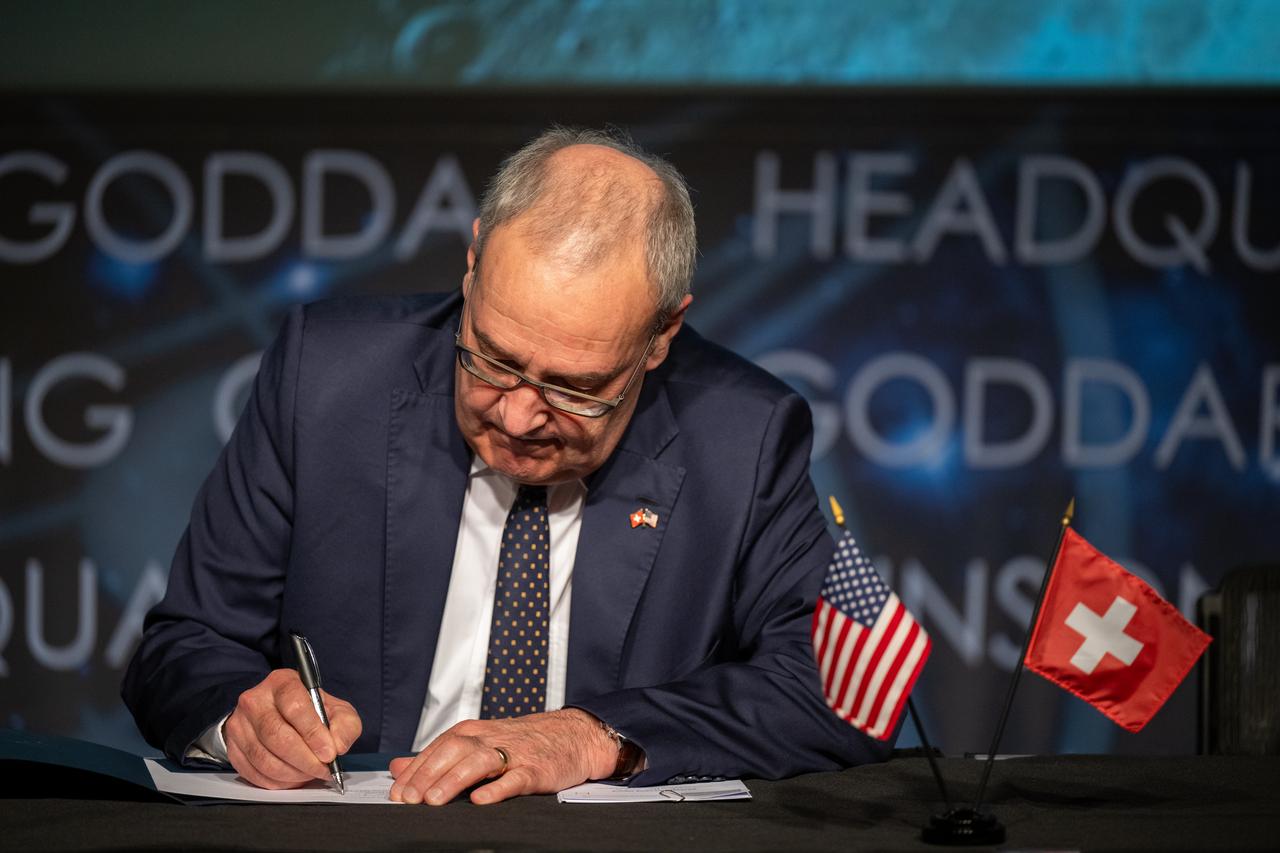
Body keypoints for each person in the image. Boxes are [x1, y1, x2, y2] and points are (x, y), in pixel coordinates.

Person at [122, 127, 891, 805]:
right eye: (492, 358)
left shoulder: (742, 436)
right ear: (473, 262)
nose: (517, 416)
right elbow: (183, 647)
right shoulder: (326, 378)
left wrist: (594, 735)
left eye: (575, 388)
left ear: (662, 333)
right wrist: (242, 717)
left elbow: (837, 692)